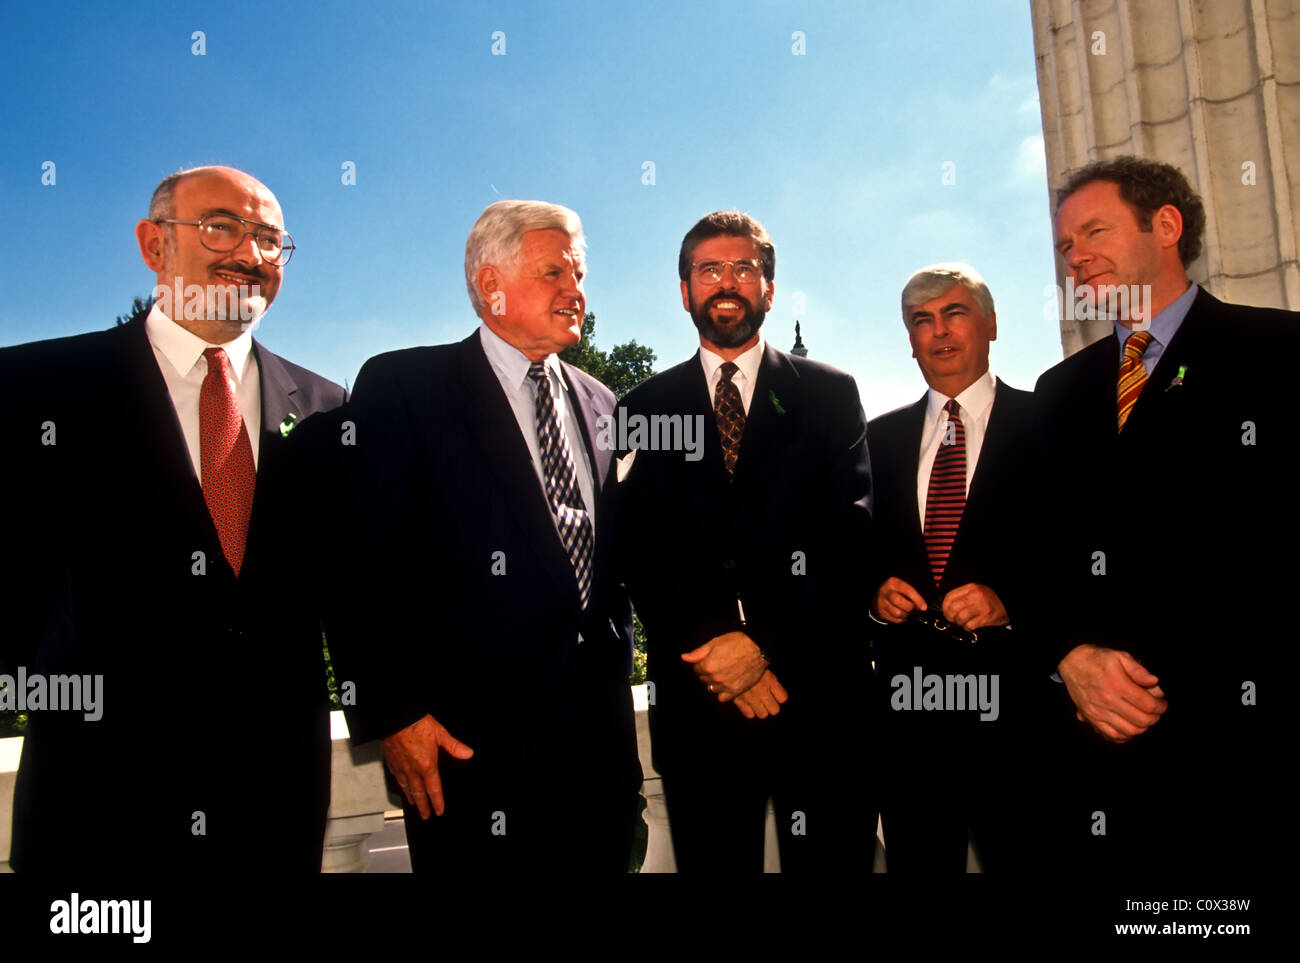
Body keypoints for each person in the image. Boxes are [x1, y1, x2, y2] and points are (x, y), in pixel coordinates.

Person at [0, 166, 345, 873]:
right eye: (221, 226)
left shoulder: (326, 407)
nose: (250, 255)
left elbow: (355, 585)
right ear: (154, 244)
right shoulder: (34, 388)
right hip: (97, 813)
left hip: (276, 807)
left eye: (271, 240)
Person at [325, 200, 641, 873]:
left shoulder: (602, 401)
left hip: (601, 757)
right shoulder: (404, 387)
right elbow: (359, 566)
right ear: (490, 285)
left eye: (579, 273)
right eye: (553, 271)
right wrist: (393, 715)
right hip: (469, 759)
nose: (575, 290)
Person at [1035, 155, 1295, 874]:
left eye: (1094, 231)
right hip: (1094, 769)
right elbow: (1031, 554)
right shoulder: (1057, 393)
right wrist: (1070, 658)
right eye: (1065, 247)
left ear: (1167, 226)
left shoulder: (1282, 352)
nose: (1076, 257)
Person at [614, 210, 874, 872]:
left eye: (744, 268)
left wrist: (762, 646)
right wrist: (719, 654)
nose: (727, 282)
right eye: (709, 269)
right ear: (684, 290)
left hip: (818, 706)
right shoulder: (643, 409)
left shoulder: (830, 394)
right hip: (702, 708)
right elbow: (637, 549)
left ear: (769, 287)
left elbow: (850, 530)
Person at [867, 263, 1044, 873]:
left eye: (955, 313)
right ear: (909, 339)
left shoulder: (1049, 425)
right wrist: (872, 594)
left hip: (1023, 718)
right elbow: (846, 552)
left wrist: (1011, 600)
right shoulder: (875, 440)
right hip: (910, 727)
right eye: (922, 321)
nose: (939, 332)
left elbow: (1087, 555)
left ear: (990, 325)